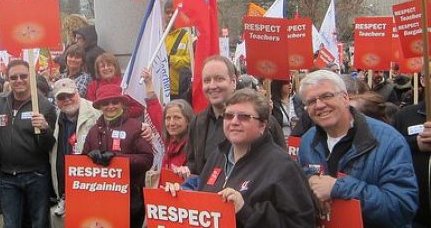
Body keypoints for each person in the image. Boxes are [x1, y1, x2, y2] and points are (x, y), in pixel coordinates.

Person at [164, 89, 316, 228]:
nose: (234, 121)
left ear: (262, 125)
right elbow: (203, 196)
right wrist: (182, 194)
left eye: (244, 117)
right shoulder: (218, 155)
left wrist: (246, 211)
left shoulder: (283, 167)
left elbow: (301, 224)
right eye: (229, 116)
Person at [297, 70, 418, 227]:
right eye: (311, 101)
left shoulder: (388, 141)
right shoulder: (307, 141)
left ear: (345, 98)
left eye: (327, 96)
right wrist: (308, 183)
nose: (319, 105)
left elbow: (402, 207)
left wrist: (338, 188)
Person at [0, 60, 57, 228]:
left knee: (39, 223)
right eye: (13, 77)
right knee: (11, 224)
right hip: (7, 177)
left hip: (36, 175)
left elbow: (49, 145)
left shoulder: (45, 106)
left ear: (31, 77)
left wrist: (44, 129)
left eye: (23, 76)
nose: (19, 80)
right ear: (8, 79)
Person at [82, 84, 153, 227]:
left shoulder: (136, 127)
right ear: (100, 106)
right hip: (100, 202)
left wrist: (118, 159)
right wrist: (89, 157)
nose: (110, 106)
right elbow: (82, 163)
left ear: (122, 103)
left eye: (115, 102)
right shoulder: (93, 131)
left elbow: (147, 160)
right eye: (105, 103)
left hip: (131, 201)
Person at [49, 78, 101, 218]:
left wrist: (143, 129)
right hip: (68, 186)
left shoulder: (96, 110)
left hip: (92, 184)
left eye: (70, 95)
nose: (66, 100)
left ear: (77, 93)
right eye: (61, 97)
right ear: (56, 101)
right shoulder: (56, 117)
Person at [393, 72, 430, 228]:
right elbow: (391, 149)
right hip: (415, 209)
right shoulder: (405, 115)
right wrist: (416, 143)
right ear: (423, 81)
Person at [143, 69, 194, 169]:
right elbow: (155, 110)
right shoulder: (169, 139)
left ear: (188, 120)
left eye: (177, 118)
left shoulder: (195, 145)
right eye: (168, 118)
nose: (171, 123)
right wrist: (148, 82)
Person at [86, 53, 144, 118]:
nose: (106, 68)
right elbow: (91, 108)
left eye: (109, 65)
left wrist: (120, 114)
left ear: (115, 67)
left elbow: (139, 108)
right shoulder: (93, 86)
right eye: (102, 66)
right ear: (98, 70)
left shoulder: (126, 84)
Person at [163, 0, 192, 100]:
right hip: (164, 91)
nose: (170, 15)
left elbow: (190, 61)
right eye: (167, 12)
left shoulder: (187, 36)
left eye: (173, 12)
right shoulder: (161, 37)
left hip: (181, 91)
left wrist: (170, 59)